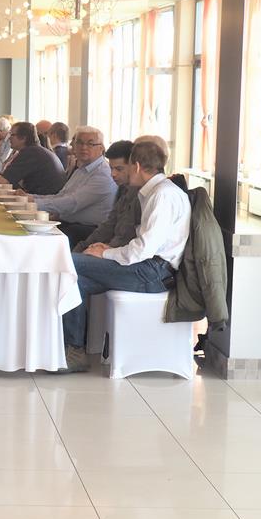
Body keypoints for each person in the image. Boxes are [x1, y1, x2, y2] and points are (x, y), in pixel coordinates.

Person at [61, 140, 190, 371]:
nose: (119, 173)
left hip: (154, 272)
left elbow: (143, 249)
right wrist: (105, 250)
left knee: (66, 261)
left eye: (126, 167)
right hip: (147, 267)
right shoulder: (154, 192)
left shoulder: (163, 195)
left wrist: (106, 253)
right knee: (73, 279)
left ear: (136, 166)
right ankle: (74, 350)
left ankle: (71, 349)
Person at [32, 125, 117, 248]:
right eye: (80, 143)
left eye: (90, 144)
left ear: (101, 148)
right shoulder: (82, 169)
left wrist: (32, 203)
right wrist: (30, 198)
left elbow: (72, 203)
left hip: (88, 231)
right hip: (68, 223)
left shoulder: (103, 173)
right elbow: (61, 196)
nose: (84, 147)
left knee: (38, 242)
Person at [73, 140, 139, 254]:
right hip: (110, 248)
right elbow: (108, 225)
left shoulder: (141, 196)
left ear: (134, 166)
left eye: (119, 169)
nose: (113, 174)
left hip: (122, 255)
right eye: (111, 168)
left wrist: (104, 251)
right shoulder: (124, 189)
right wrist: (83, 247)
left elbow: (126, 237)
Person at [0, 122, 65, 195]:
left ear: (23, 138)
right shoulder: (35, 151)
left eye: (12, 135)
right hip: (46, 196)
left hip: (44, 199)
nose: (9, 138)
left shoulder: (29, 153)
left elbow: (3, 182)